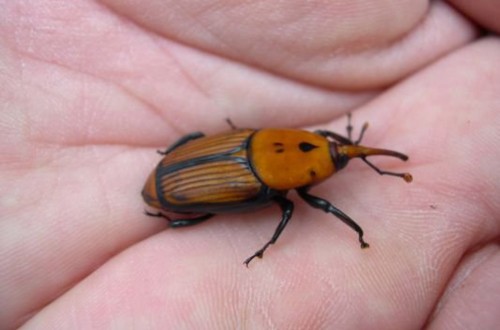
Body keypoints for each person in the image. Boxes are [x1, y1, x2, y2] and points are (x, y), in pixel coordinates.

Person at [1, 1, 499, 328]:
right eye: (330, 147)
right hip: (184, 185)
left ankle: (174, 202)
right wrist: (356, 232)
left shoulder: (266, 144)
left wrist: (355, 155)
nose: (337, 150)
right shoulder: (275, 182)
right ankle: (172, 213)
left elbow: (314, 149)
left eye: (334, 156)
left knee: (216, 172)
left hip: (200, 163)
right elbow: (295, 198)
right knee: (250, 207)